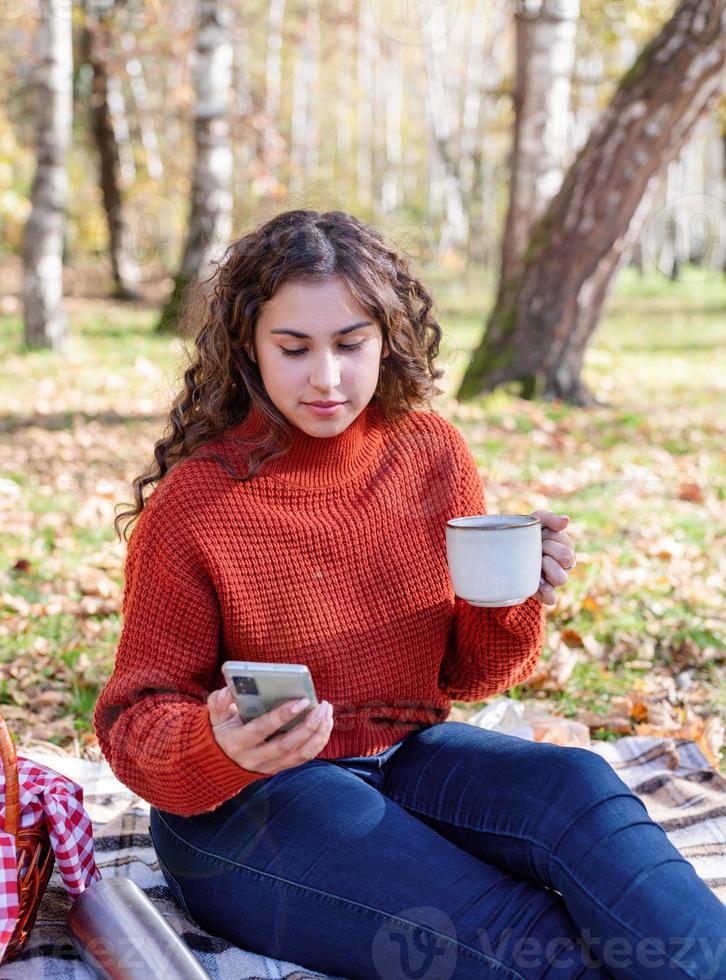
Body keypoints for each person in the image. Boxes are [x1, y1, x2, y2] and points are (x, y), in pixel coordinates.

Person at [93, 210, 726, 980]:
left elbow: (470, 678)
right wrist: (215, 743)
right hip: (243, 806)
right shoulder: (198, 504)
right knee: (518, 928)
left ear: (387, 336)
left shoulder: (430, 454)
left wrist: (510, 595)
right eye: (294, 349)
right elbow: (135, 719)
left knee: (576, 786)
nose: (327, 378)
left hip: (408, 754)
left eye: (351, 344)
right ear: (249, 349)